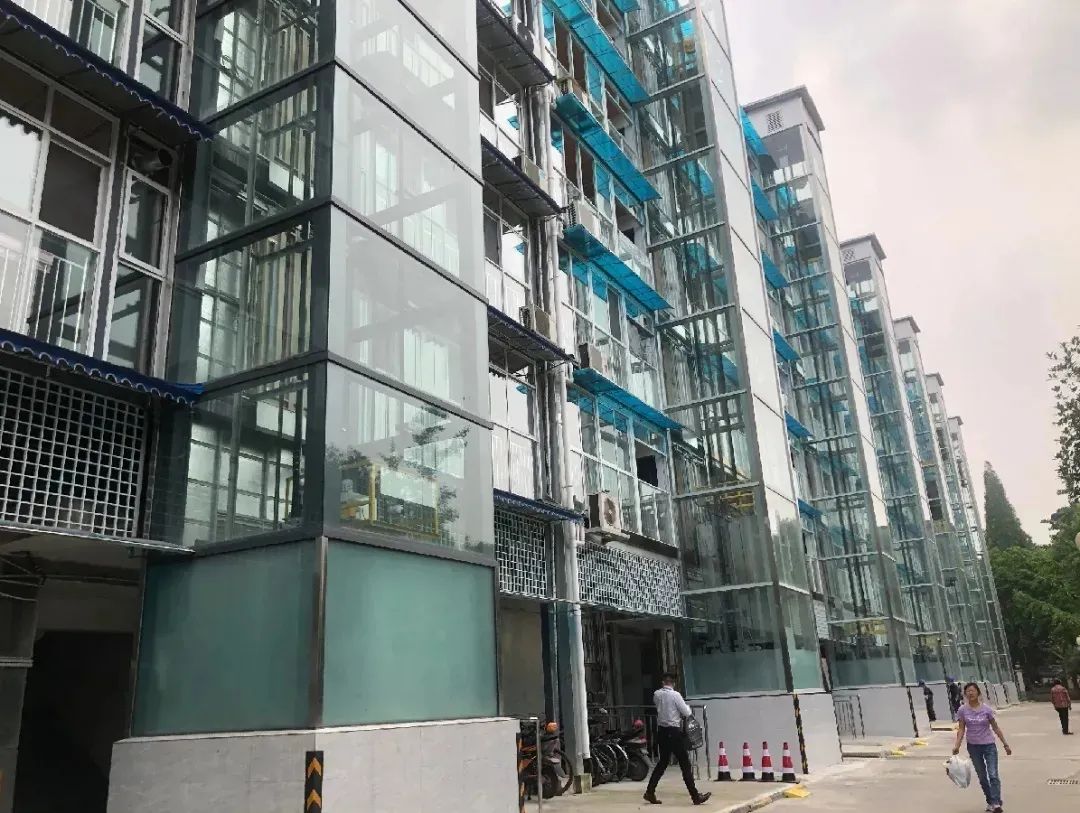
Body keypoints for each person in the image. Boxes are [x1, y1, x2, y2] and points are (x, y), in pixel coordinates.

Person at [643, 673, 711, 806]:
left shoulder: (657, 694)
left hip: (662, 731)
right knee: (685, 764)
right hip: (673, 732)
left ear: (663, 682)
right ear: (673, 683)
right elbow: (687, 712)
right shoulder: (675, 695)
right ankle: (695, 796)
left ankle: (650, 791)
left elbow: (659, 706)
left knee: (662, 763)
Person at [953, 682, 1012, 813]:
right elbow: (961, 729)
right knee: (982, 776)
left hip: (989, 745)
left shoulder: (987, 709)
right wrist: (957, 745)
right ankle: (990, 801)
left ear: (978, 693)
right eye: (968, 691)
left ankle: (996, 803)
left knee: (993, 774)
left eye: (973, 690)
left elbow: (995, 727)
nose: (970, 693)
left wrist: (1005, 744)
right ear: (965, 694)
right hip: (973, 747)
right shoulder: (962, 710)